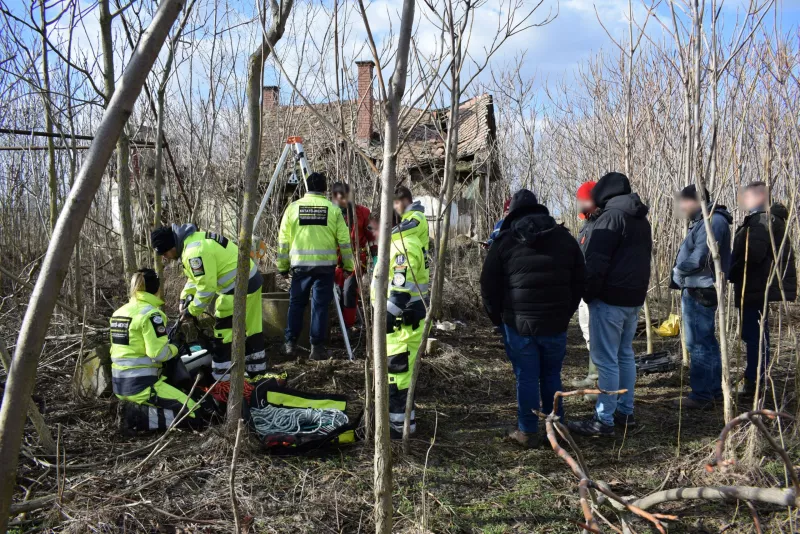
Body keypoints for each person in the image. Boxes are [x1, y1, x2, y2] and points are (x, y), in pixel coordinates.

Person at [480, 189, 586, 448]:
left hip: (518, 325)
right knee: (551, 375)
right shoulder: (565, 238)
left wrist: (498, 319)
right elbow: (581, 280)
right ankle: (556, 427)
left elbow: (487, 284)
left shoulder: (504, 241)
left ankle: (527, 431)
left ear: (513, 213)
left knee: (526, 377)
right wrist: (565, 312)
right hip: (554, 323)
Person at [567, 172, 652, 438]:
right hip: (633, 299)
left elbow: (596, 262)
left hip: (609, 299)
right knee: (625, 355)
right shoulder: (640, 219)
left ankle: (603, 420)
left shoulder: (611, 218)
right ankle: (625, 412)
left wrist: (588, 293)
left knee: (606, 361)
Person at [151, 224, 267, 382]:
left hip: (238, 287)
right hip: (250, 280)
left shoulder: (194, 252)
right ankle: (257, 372)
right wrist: (185, 298)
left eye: (165, 253)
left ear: (171, 246)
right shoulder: (193, 241)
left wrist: (192, 311)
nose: (166, 257)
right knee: (252, 328)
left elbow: (206, 288)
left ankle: (222, 377)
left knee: (223, 331)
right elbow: (196, 279)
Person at [110, 269, 208, 433]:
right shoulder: (151, 314)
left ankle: (135, 408)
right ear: (156, 289)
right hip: (142, 386)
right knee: (195, 414)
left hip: (119, 386)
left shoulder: (119, 313)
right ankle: (135, 417)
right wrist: (176, 346)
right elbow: (158, 354)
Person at [729, 181, 797, 397]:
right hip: (758, 286)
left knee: (755, 335)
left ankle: (754, 382)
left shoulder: (761, 221)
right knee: (758, 334)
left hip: (755, 286)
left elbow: (753, 255)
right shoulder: (766, 220)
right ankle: (756, 377)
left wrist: (732, 269)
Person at [278, 172, 354, 360]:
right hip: (324, 267)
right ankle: (317, 348)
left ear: (306, 188)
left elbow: (283, 242)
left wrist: (282, 266)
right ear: (325, 188)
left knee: (296, 304)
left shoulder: (292, 208)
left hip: (300, 267)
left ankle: (290, 344)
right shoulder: (333, 210)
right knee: (320, 306)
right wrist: (348, 266)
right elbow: (344, 242)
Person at [670, 185, 732, 409]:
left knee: (698, 343)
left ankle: (703, 395)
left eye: (684, 202)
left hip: (701, 289)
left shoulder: (712, 221)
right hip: (698, 287)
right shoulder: (704, 221)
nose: (682, 207)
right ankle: (712, 390)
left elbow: (700, 257)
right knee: (705, 341)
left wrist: (678, 270)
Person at [370, 212, 428, 439]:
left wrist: (381, 323)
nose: (372, 236)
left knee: (398, 381)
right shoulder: (397, 245)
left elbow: (400, 292)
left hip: (401, 329)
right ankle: (396, 426)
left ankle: (400, 432)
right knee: (394, 379)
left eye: (373, 230)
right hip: (397, 329)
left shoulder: (403, 247)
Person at [331, 181, 376, 329]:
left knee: (349, 289)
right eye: (339, 197)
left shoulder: (362, 213)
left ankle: (347, 326)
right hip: (333, 261)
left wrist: (375, 258)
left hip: (356, 259)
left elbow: (372, 237)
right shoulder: (330, 213)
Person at [572, 181, 599, 389]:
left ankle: (596, 380)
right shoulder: (587, 224)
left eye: (582, 200)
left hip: (593, 288)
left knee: (596, 334)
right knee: (587, 331)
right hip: (583, 286)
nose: (579, 204)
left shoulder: (601, 223)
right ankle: (592, 376)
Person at [393, 185, 430, 257]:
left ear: (405, 201)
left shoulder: (418, 215)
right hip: (413, 259)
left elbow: (407, 228)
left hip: (416, 262)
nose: (395, 207)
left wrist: (385, 236)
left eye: (397, 203)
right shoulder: (406, 218)